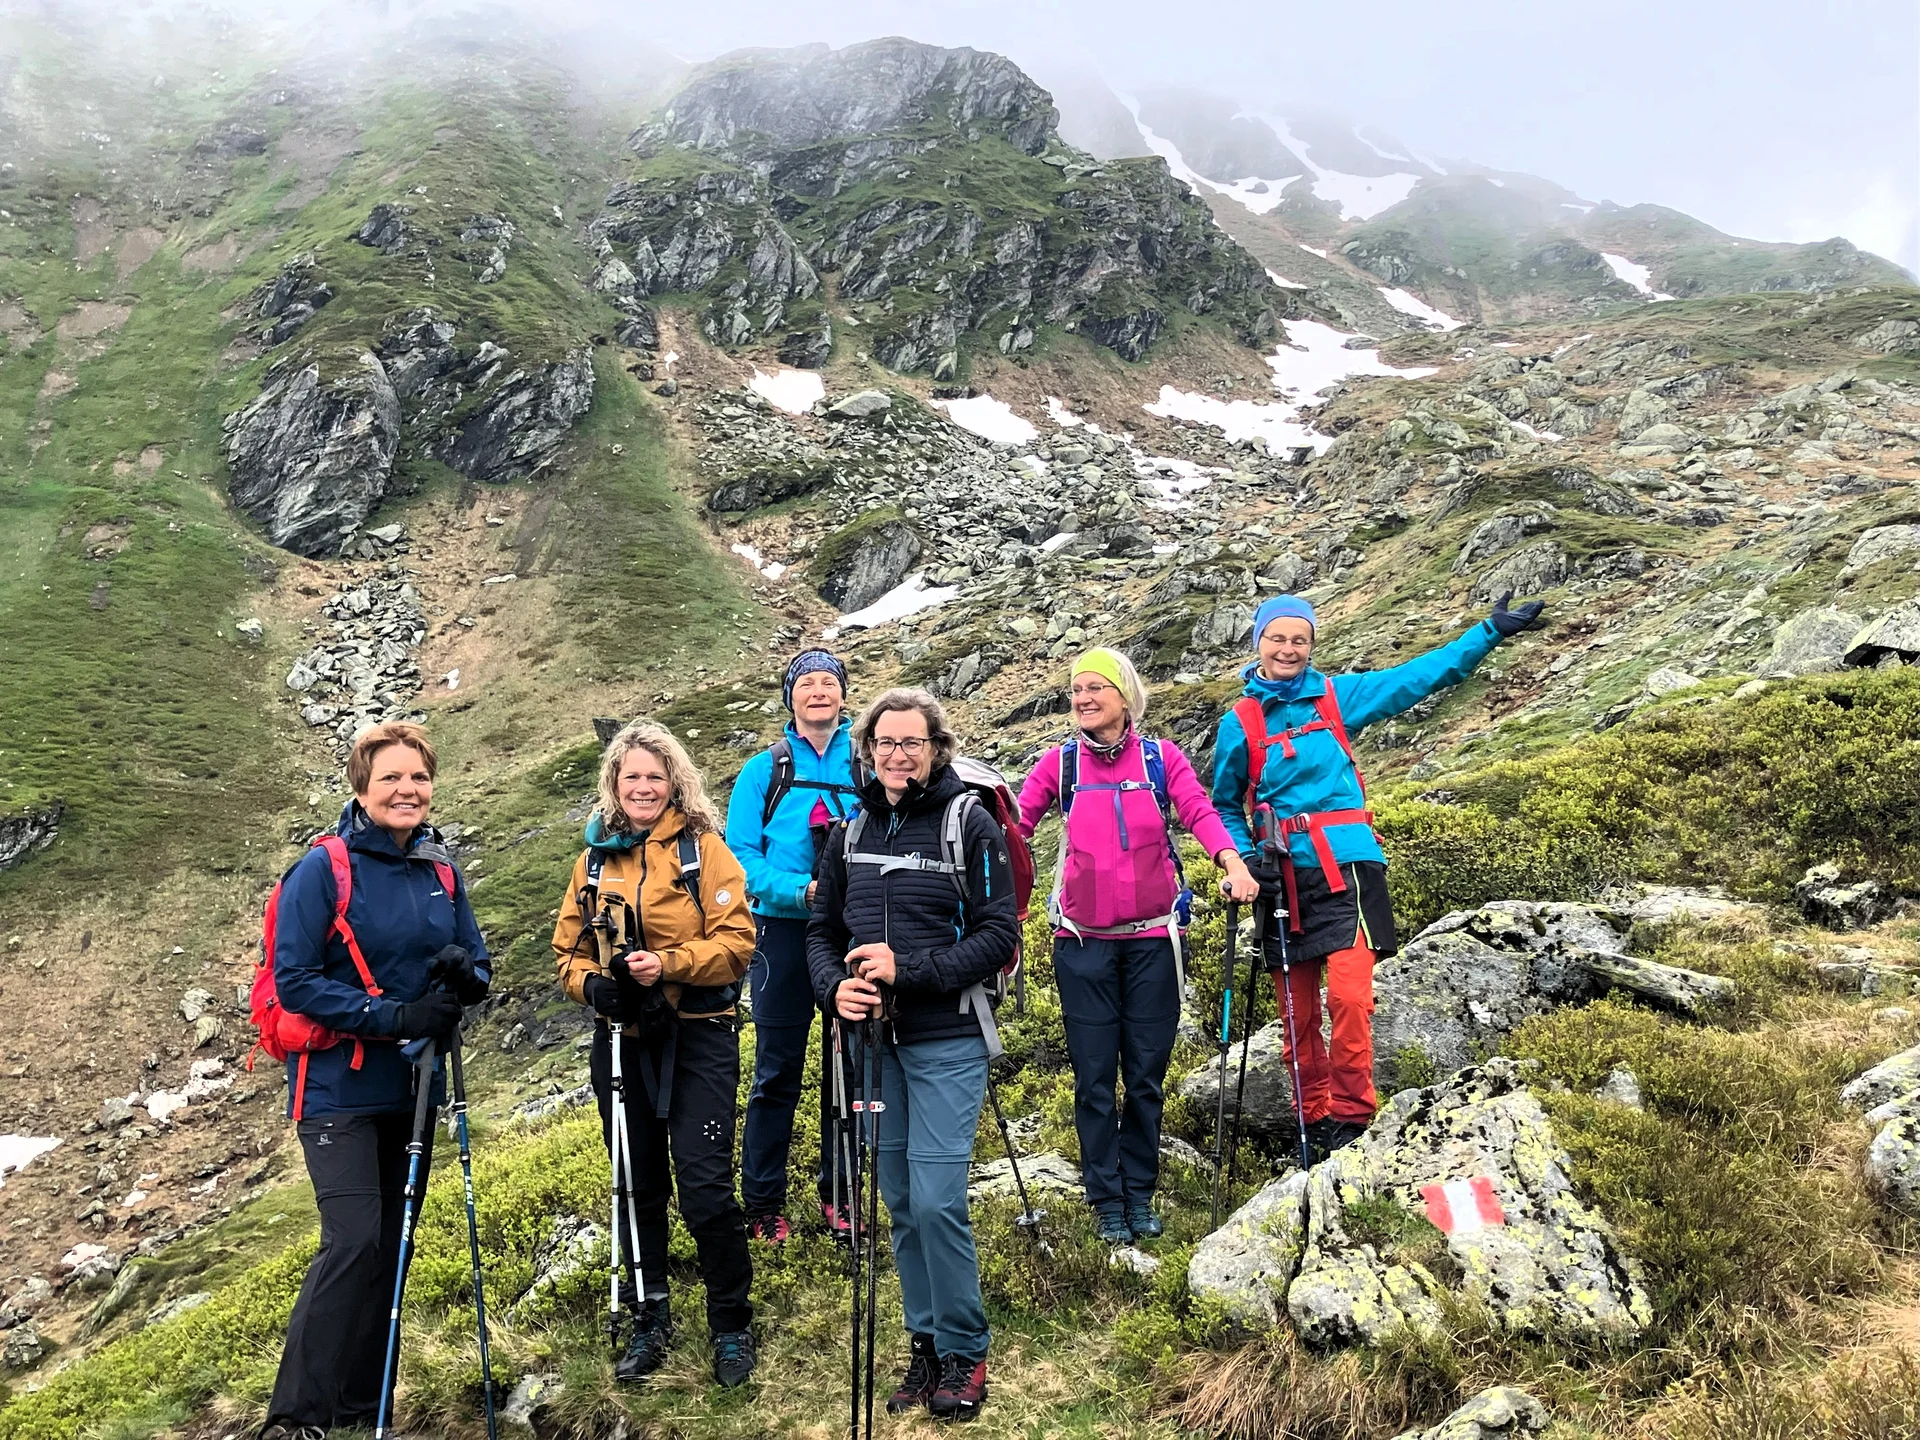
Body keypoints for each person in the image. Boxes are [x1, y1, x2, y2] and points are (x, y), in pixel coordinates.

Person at [1211, 591, 1546, 1162]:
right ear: (1258, 642)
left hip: (1351, 868)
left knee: (1348, 999)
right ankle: (1311, 1118)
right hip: (1283, 879)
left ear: (1312, 645)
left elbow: (1419, 677)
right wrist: (1246, 860)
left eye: (1300, 640)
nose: (1288, 649)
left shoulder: (1338, 696)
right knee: (1297, 1013)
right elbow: (1223, 805)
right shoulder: (1239, 723)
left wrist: (1487, 632)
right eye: (1277, 638)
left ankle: (1352, 1115)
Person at [261, 722, 490, 1440]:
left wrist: (463, 980)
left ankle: (362, 1405)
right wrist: (396, 1015)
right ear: (361, 788)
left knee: (393, 1243)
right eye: (391, 778)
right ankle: (293, 1419)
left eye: (418, 778)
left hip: (410, 1089)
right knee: (353, 1239)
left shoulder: (438, 870)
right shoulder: (322, 869)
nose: (407, 790)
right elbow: (295, 983)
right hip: (335, 1091)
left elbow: (479, 967)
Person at [807, 688, 1018, 1423]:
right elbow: (819, 932)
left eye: (913, 743)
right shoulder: (850, 829)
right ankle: (925, 1344)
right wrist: (836, 989)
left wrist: (909, 971)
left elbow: (1000, 937)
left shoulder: (971, 823)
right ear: (867, 750)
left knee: (935, 1199)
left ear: (937, 747)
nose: (899, 755)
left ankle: (966, 1351)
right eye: (886, 743)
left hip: (948, 1037)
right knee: (897, 1202)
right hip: (872, 1044)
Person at [1016, 648, 1259, 1246]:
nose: (1084, 699)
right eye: (1077, 690)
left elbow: (1200, 812)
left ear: (1126, 697)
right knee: (1095, 1078)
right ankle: (1106, 1198)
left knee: (1145, 1075)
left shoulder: (1160, 758)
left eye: (1097, 688)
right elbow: (1015, 830)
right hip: (1082, 944)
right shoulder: (1060, 764)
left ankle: (1139, 1191)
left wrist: (1231, 860)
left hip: (1154, 941)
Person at [552, 722, 759, 1388]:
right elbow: (567, 953)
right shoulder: (592, 862)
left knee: (703, 1188)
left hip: (699, 1034)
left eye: (654, 776)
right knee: (635, 1186)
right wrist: (595, 986)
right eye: (630, 777)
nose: (643, 787)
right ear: (614, 784)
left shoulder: (703, 852)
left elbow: (738, 944)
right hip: (620, 1040)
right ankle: (651, 1321)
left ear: (674, 782)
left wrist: (664, 964)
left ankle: (731, 1325)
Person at [725, 649, 863, 1243]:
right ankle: (762, 1202)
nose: (818, 691)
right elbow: (738, 861)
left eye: (828, 682)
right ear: (790, 698)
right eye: (806, 682)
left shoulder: (866, 760)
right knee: (776, 1070)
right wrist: (800, 891)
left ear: (842, 695)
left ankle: (842, 1194)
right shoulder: (764, 770)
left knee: (851, 1069)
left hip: (852, 933)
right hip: (780, 933)